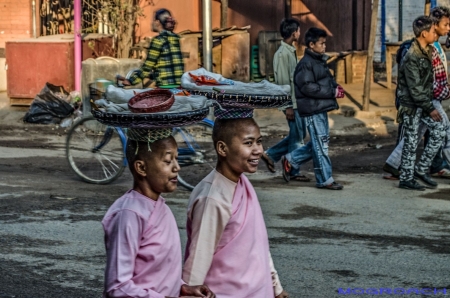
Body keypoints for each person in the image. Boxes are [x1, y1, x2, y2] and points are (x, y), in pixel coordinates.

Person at [182, 109, 289, 298]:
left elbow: (258, 244)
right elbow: (197, 263)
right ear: (222, 149)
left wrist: (275, 285)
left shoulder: (241, 182)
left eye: (259, 141)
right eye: (248, 143)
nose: (258, 150)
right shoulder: (213, 198)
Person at [102, 128, 215, 298]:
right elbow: (117, 288)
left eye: (176, 159)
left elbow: (159, 273)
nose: (177, 167)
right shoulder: (129, 214)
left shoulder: (161, 207)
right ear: (141, 167)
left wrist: (183, 288)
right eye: (168, 161)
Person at [383, 6, 450, 180]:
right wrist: (427, 104)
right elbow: (415, 83)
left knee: (421, 132)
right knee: (418, 133)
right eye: (446, 24)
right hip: (419, 100)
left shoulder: (433, 46)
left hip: (428, 98)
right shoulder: (417, 50)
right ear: (433, 25)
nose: (448, 28)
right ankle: (404, 169)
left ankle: (400, 166)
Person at [280, 27, 345, 190]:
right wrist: (332, 92)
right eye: (321, 44)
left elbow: (324, 81)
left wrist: (336, 88)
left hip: (319, 107)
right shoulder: (306, 64)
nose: (324, 46)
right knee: (321, 144)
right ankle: (325, 179)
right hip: (312, 109)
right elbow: (307, 87)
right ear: (311, 45)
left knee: (318, 143)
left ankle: (291, 159)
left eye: (324, 43)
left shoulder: (318, 61)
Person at [394, 16, 446, 190]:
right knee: (410, 141)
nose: (435, 34)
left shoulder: (428, 51)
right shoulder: (412, 56)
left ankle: (420, 169)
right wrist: (430, 108)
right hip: (411, 105)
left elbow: (428, 82)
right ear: (424, 33)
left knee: (439, 131)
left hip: (422, 104)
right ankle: (406, 179)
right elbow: (415, 89)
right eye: (432, 31)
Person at [261, 18, 309, 182]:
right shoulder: (282, 55)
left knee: (298, 135)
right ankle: (293, 171)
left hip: (296, 102)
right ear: (294, 32)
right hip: (292, 104)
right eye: (299, 30)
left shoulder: (290, 51)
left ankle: (270, 154)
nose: (299, 33)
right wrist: (288, 106)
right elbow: (283, 83)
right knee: (297, 138)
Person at [119, 9, 184, 88]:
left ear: (157, 22)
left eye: (153, 20)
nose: (152, 23)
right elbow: (167, 67)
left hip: (165, 86)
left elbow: (148, 66)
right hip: (179, 85)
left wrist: (131, 81)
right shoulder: (176, 38)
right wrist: (152, 75)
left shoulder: (158, 41)